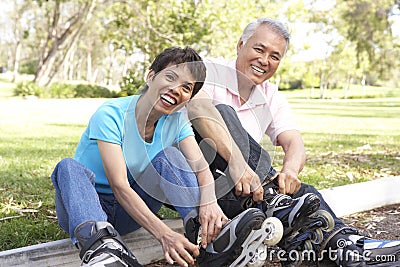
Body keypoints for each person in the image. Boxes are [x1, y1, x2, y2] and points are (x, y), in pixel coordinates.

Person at [186, 18, 400, 266]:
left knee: (302, 192)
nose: (264, 60)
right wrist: (238, 164)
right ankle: (279, 208)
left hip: (245, 190)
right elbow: (197, 108)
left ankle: (346, 248)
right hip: (202, 182)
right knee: (221, 111)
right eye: (259, 49)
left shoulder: (271, 95)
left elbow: (294, 141)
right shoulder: (211, 71)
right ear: (240, 45)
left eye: (275, 56)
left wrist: (289, 171)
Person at [51, 46, 275, 267]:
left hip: (129, 213)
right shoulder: (111, 113)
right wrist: (164, 234)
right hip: (87, 207)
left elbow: (202, 171)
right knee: (67, 167)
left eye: (186, 87)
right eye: (170, 77)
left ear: (188, 98)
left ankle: (206, 237)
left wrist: (209, 203)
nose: (176, 89)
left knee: (169, 157)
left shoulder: (176, 122)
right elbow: (119, 186)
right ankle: (103, 249)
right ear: (150, 76)